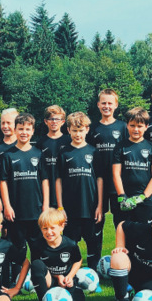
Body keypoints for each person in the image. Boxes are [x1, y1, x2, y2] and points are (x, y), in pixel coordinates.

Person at [0, 113, 48, 280]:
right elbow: (3, 182)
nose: (24, 132)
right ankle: (16, 278)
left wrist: (45, 206)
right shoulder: (7, 155)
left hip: (36, 210)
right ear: (15, 130)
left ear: (33, 131)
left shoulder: (39, 154)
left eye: (27, 129)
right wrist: (7, 206)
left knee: (37, 247)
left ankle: (37, 278)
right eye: (20, 129)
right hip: (15, 211)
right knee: (17, 249)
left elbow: (45, 182)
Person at [56, 111, 103, 271]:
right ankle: (70, 275)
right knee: (70, 245)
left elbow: (99, 180)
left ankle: (94, 274)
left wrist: (100, 206)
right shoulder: (63, 153)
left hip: (90, 208)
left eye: (81, 130)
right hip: (70, 209)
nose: (78, 134)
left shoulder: (94, 152)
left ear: (87, 130)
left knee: (93, 245)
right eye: (74, 130)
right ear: (68, 130)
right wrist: (60, 207)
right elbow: (58, 181)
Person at [88, 89, 127, 250]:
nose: (106, 106)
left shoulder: (123, 127)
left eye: (110, 103)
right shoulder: (92, 128)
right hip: (97, 183)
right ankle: (95, 261)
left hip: (118, 184)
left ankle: (123, 256)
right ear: (98, 105)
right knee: (97, 219)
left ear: (116, 105)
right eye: (103, 103)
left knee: (121, 220)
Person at [113, 107, 152, 225]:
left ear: (146, 127)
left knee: (145, 237)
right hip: (125, 200)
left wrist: (142, 197)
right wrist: (122, 196)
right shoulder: (120, 146)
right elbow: (116, 174)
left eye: (139, 126)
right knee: (123, 235)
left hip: (146, 201)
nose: (136, 129)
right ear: (127, 125)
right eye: (132, 125)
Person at [28, 208, 86, 300]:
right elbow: (37, 269)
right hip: (50, 280)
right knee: (36, 265)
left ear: (61, 227)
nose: (49, 232)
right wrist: (58, 276)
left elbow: (78, 261)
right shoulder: (37, 246)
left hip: (66, 281)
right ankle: (44, 298)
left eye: (52, 228)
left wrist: (69, 277)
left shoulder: (70, 245)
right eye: (45, 228)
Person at [36, 105, 70, 208]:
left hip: (66, 191)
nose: (54, 122)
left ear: (63, 122)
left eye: (57, 119)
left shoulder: (69, 141)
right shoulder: (40, 143)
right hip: (46, 192)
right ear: (46, 121)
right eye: (51, 119)